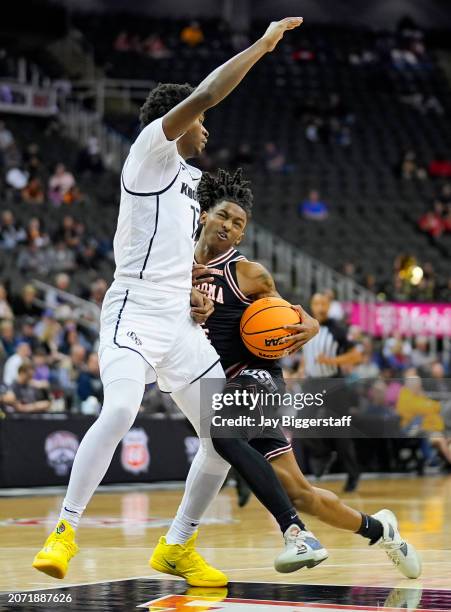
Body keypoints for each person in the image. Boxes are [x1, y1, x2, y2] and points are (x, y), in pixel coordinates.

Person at [32, 16, 305, 586]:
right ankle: (64, 528)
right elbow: (205, 92)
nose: (206, 128)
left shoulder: (192, 183)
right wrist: (262, 45)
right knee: (121, 410)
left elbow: (176, 255)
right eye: (201, 122)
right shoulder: (149, 154)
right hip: (131, 310)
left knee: (222, 434)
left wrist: (194, 296)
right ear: (178, 122)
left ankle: (178, 544)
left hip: (179, 322)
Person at [187, 168, 421, 580]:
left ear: (242, 235)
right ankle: (382, 529)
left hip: (256, 376)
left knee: (222, 435)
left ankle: (296, 534)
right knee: (300, 491)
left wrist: (309, 322)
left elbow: (291, 315)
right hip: (217, 383)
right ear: (205, 215)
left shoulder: (249, 273)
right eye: (224, 216)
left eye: (238, 223)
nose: (229, 226)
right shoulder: (175, 262)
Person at [301, 293, 363, 492]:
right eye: (316, 303)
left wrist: (331, 362)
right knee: (300, 426)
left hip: (334, 384)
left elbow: (356, 356)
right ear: (311, 305)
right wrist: (301, 369)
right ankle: (323, 453)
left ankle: (353, 474)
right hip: (311, 384)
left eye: (323, 303)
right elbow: (306, 352)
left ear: (328, 306)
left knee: (341, 432)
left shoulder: (337, 329)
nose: (320, 307)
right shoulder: (305, 324)